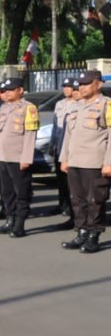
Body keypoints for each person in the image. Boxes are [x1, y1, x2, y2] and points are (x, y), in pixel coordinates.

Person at [59, 69, 110, 253]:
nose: (82, 87)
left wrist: (108, 162)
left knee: (95, 200)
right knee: (77, 200)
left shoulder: (107, 105)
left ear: (99, 84)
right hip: (74, 161)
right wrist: (64, 158)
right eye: (80, 84)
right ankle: (81, 232)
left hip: (94, 162)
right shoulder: (76, 106)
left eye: (87, 84)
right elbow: (68, 136)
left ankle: (93, 236)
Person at [0, 77, 39, 238]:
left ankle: (19, 224)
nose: (8, 93)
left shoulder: (29, 108)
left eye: (11, 90)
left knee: (21, 192)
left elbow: (30, 135)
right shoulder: (3, 107)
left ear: (20, 90)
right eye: (6, 90)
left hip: (18, 157)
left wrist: (26, 158)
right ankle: (9, 220)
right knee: (7, 192)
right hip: (4, 156)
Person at [50, 78, 79, 229]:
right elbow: (55, 126)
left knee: (71, 182)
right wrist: (52, 144)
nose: (67, 89)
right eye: (65, 87)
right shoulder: (59, 104)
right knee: (60, 179)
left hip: (71, 146)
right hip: (59, 143)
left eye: (70, 87)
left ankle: (72, 208)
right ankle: (62, 204)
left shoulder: (79, 104)